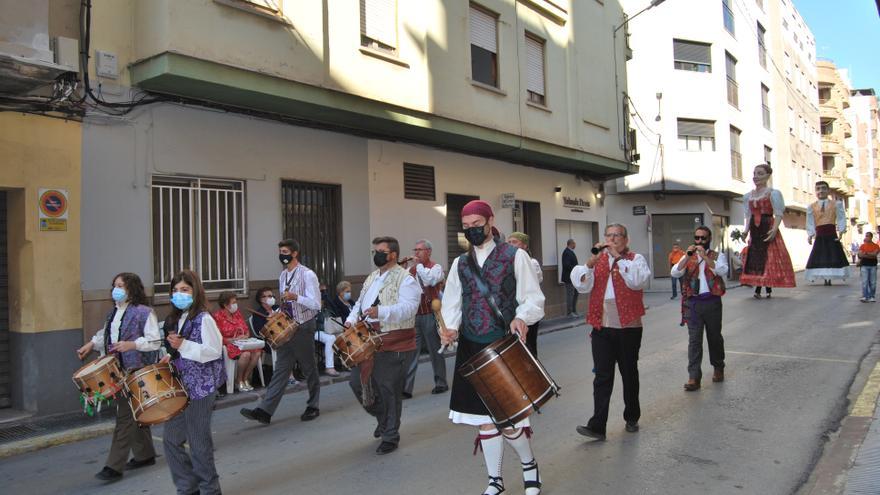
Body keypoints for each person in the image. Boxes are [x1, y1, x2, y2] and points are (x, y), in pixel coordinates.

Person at [439, 200, 545, 495]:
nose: (472, 230)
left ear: (490, 221)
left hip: (504, 345)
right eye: (467, 227)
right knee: (484, 423)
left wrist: (523, 318)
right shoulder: (460, 264)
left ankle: (529, 466)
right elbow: (452, 303)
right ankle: (494, 480)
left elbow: (532, 298)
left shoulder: (515, 256)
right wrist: (448, 329)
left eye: (477, 225)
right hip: (472, 348)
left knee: (509, 422)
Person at [76, 272, 161, 482]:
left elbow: (155, 341)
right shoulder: (114, 312)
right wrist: (91, 344)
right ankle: (145, 454)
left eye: (121, 285)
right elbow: (107, 335)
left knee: (124, 417)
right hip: (117, 371)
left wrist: (132, 345)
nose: (116, 289)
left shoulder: (144, 312)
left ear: (131, 288)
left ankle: (114, 466)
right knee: (135, 413)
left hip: (136, 370)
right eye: (114, 285)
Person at [570, 223, 651, 441]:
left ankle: (632, 416)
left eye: (617, 236)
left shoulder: (636, 259)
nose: (612, 239)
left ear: (626, 239)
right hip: (601, 326)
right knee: (602, 376)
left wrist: (617, 257)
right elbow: (581, 286)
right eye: (609, 236)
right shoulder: (599, 261)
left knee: (629, 373)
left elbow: (637, 281)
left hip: (628, 328)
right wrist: (589, 263)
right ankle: (598, 425)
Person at [346, 236, 421, 455]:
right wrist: (351, 319)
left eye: (381, 251)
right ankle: (383, 418)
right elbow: (359, 303)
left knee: (388, 389)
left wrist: (382, 312)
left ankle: (390, 435)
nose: (376, 254)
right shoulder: (371, 277)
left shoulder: (406, 279)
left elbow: (409, 309)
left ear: (393, 255)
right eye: (375, 251)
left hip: (392, 339)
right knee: (357, 383)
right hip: (366, 339)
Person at [241, 238, 321, 424]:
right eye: (280, 252)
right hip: (287, 327)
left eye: (285, 252)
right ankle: (265, 411)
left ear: (294, 253)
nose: (282, 255)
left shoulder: (308, 275)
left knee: (309, 367)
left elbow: (316, 304)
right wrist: (276, 314)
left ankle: (313, 405)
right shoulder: (283, 275)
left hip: (303, 326)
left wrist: (297, 296)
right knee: (281, 369)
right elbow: (285, 303)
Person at [160, 270, 224, 495]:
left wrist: (183, 346)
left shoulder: (204, 318)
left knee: (198, 443)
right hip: (180, 388)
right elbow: (181, 350)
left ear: (195, 291)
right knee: (170, 440)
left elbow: (214, 351)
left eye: (185, 290)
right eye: (175, 291)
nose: (179, 294)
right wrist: (171, 355)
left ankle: (210, 490)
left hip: (201, 389)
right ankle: (188, 488)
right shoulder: (178, 318)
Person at [671, 227, 728, 392]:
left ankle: (718, 367)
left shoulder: (718, 255)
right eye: (697, 238)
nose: (699, 241)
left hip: (712, 302)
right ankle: (694, 377)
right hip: (694, 304)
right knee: (694, 341)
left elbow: (722, 270)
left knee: (714, 337)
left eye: (703, 238)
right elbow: (675, 272)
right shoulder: (688, 256)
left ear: (709, 238)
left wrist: (705, 257)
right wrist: (687, 257)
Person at [740, 164, 796, 298]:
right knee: (756, 258)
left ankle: (768, 288)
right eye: (754, 174)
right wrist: (746, 230)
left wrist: (774, 229)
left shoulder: (773, 193)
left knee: (769, 257)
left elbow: (778, 213)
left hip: (767, 225)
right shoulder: (748, 196)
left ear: (767, 176)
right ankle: (759, 288)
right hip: (755, 228)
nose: (756, 177)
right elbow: (748, 215)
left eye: (759, 173)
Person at [403, 239, 448, 398]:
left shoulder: (435, 268)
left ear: (428, 252)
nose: (416, 253)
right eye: (415, 250)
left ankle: (441, 383)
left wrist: (418, 266)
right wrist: (402, 270)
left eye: (420, 250)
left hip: (430, 313)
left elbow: (429, 280)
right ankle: (406, 389)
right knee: (411, 352)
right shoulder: (411, 269)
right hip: (415, 315)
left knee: (435, 350)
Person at [213, 291, 263, 392]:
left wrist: (245, 336)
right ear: (225, 304)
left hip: (242, 343)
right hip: (229, 345)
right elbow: (217, 337)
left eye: (236, 302)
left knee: (257, 353)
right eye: (233, 302)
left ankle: (245, 378)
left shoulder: (237, 314)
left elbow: (246, 331)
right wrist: (233, 340)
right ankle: (238, 380)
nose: (236, 305)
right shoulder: (217, 316)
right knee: (246, 355)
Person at [806, 181, 849, 286]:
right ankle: (824, 277)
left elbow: (841, 217)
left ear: (828, 190)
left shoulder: (836, 204)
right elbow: (810, 221)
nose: (821, 191)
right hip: (820, 234)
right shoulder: (811, 206)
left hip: (831, 233)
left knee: (833, 255)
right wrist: (810, 234)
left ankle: (830, 277)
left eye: (823, 188)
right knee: (820, 255)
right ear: (816, 191)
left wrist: (841, 231)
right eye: (818, 189)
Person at [508, 231, 544, 356]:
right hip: (515, 310)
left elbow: (536, 280)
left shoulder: (531, 262)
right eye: (509, 242)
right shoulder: (507, 261)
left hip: (528, 308)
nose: (511, 245)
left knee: (529, 345)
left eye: (515, 242)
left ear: (524, 246)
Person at [858, 232, 878, 302]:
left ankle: (872, 296)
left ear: (871, 237)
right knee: (865, 282)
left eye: (868, 236)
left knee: (872, 282)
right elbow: (860, 255)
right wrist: (870, 254)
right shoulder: (862, 246)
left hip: (873, 266)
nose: (866, 237)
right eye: (866, 236)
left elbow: (874, 255)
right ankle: (865, 296)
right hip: (864, 266)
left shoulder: (876, 246)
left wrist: (865, 253)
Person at [561, 239, 579, 317]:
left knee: (575, 294)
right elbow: (566, 265)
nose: (575, 245)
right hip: (569, 278)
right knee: (570, 295)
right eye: (574, 243)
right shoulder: (566, 252)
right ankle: (570, 312)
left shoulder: (570, 252)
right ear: (571, 244)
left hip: (574, 278)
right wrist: (576, 269)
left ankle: (574, 310)